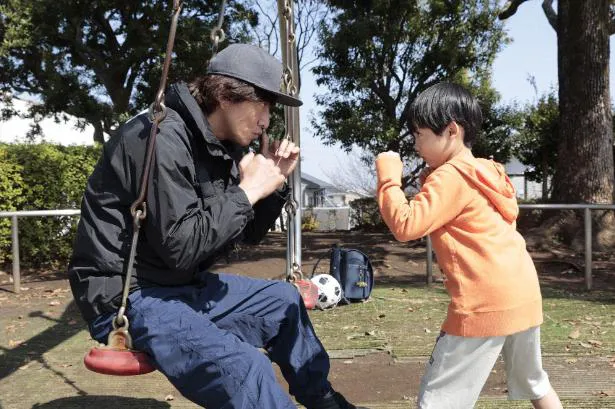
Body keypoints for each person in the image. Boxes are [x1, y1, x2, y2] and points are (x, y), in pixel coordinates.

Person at [69, 44, 356, 409]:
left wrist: (271, 185)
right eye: (263, 105)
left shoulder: (220, 147)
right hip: (127, 297)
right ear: (224, 95)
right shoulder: (160, 137)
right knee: (245, 369)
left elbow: (246, 234)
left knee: (284, 301)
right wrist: (248, 189)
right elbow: (182, 247)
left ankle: (323, 400)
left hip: (180, 286)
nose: (267, 121)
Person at [375, 83, 563, 409]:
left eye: (419, 133)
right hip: (523, 293)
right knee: (535, 382)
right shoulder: (486, 171)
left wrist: (389, 178)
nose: (415, 142)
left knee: (438, 401)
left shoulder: (451, 176)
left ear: (451, 130)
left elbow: (406, 226)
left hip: (483, 301)